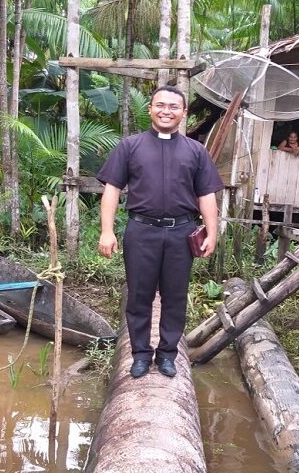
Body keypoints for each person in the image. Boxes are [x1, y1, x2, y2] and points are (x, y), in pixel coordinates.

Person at [96, 86, 224, 379]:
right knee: (139, 296)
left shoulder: (196, 151)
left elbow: (207, 196)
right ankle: (140, 355)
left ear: (184, 113)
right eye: (161, 105)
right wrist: (107, 231)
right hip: (141, 230)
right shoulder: (129, 146)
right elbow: (112, 189)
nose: (167, 111)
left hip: (181, 232)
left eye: (174, 107)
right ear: (150, 109)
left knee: (175, 296)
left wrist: (212, 234)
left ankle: (167, 355)